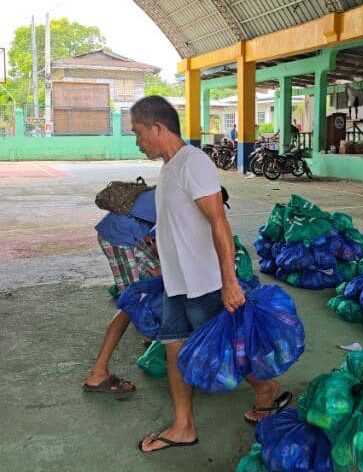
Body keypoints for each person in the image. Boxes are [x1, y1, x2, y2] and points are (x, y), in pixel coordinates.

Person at [130, 96, 291, 453]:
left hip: (203, 281)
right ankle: (184, 426)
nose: (137, 141)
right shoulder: (170, 167)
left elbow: (219, 221)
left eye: (139, 133)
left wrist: (230, 281)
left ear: (158, 127)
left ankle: (266, 388)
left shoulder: (194, 163)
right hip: (177, 282)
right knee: (175, 348)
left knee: (227, 348)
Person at [83, 190, 161, 394]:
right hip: (120, 236)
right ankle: (98, 373)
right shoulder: (182, 199)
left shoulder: (175, 187)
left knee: (158, 280)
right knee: (131, 302)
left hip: (130, 233)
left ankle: (154, 332)